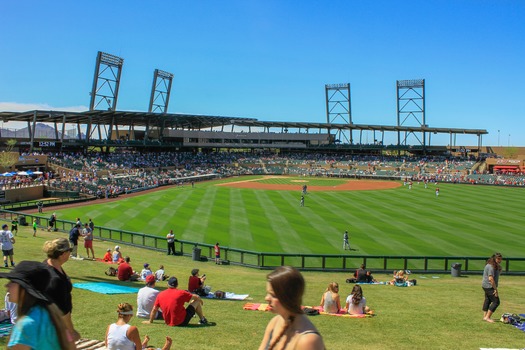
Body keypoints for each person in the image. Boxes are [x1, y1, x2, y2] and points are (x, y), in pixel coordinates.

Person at [0, 261, 75, 349]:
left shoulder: (26, 325)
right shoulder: (49, 313)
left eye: (12, 281)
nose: (7, 285)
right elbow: (71, 344)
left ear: (24, 289)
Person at [259, 266, 325, 350]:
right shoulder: (274, 322)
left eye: (273, 295)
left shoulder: (308, 341)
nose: (266, 298)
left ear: (287, 297)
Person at [43, 237, 81, 342]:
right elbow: (63, 311)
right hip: (54, 325)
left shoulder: (47, 264)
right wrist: (71, 331)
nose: (70, 253)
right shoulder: (56, 279)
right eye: (69, 251)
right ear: (63, 254)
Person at [143, 276, 208, 326]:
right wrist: (200, 300)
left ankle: (202, 318)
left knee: (193, 301)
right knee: (196, 301)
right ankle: (202, 319)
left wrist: (150, 321)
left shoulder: (160, 294)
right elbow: (197, 297)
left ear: (167, 284)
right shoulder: (181, 292)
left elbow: (154, 309)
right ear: (177, 285)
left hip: (168, 321)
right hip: (181, 321)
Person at [106, 302, 172, 350]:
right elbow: (138, 349)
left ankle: (144, 344)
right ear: (129, 315)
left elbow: (107, 345)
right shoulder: (131, 329)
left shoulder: (110, 327)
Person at [482, 252, 503, 323]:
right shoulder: (491, 266)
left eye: (500, 259)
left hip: (486, 285)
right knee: (496, 301)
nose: (500, 260)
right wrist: (495, 289)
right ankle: (488, 317)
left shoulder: (493, 265)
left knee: (488, 300)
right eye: (498, 259)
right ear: (494, 258)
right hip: (489, 286)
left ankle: (485, 316)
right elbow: (491, 278)